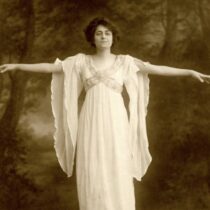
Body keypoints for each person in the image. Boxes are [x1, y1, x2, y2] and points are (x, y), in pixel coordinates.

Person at [0, 17, 210, 210]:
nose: (103, 36)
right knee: (93, 167)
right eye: (99, 33)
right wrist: (16, 65)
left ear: (113, 37)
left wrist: (190, 72)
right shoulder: (80, 61)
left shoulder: (126, 62)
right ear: (92, 37)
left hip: (116, 120)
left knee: (117, 164)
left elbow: (158, 69)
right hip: (90, 120)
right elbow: (51, 68)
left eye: (107, 33)